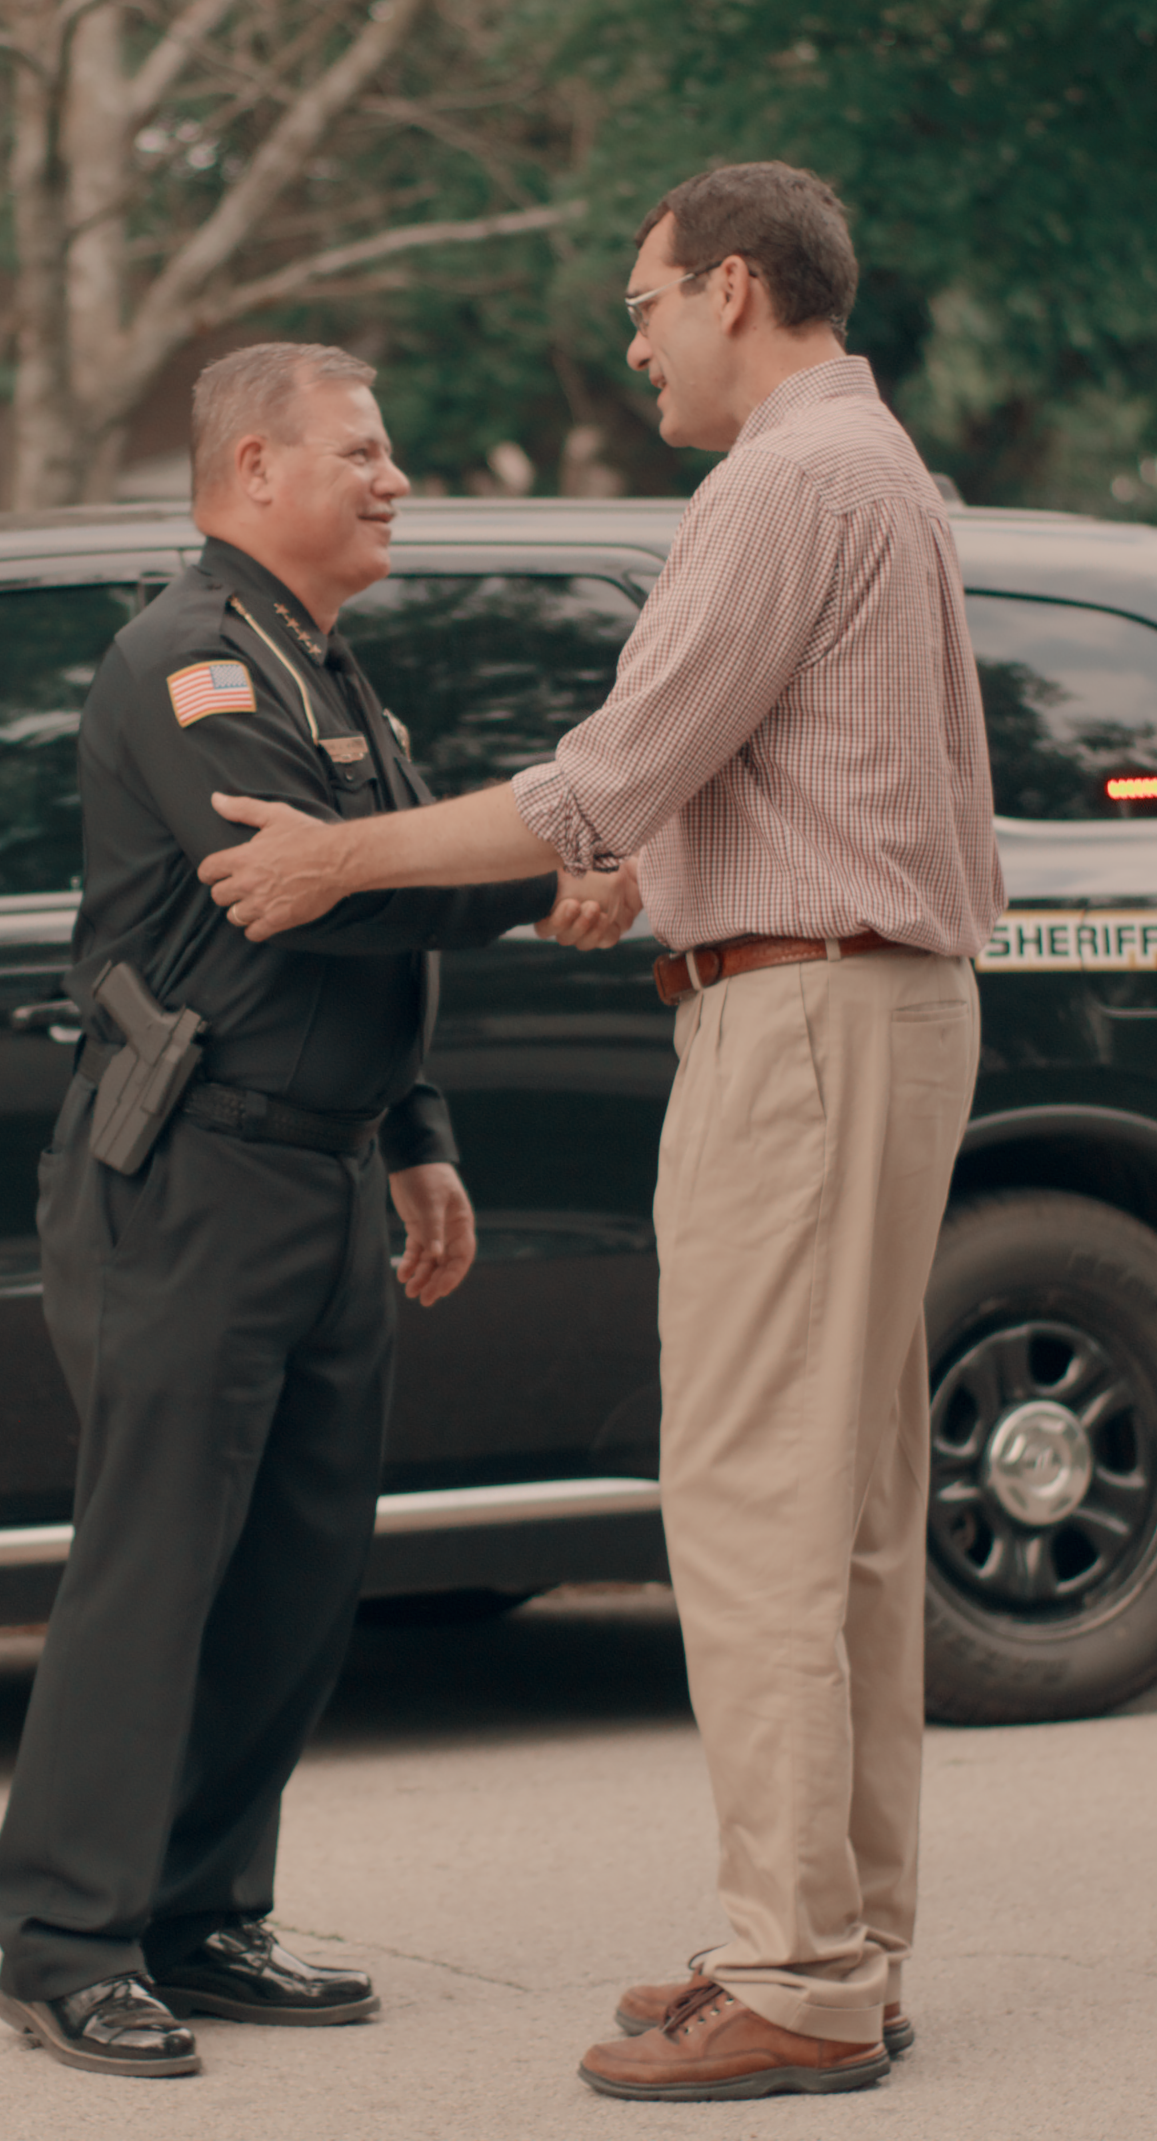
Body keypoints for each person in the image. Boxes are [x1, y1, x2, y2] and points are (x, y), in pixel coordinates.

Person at [192, 163, 1005, 2102]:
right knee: (849, 1512)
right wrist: (665, 876)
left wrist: (336, 859)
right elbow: (785, 778)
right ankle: (840, 1946)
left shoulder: (785, 486)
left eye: (644, 306)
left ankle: (797, 1974)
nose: (635, 345)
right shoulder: (882, 467)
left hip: (803, 1021)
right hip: (879, 1001)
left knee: (754, 1501)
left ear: (732, 288)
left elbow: (601, 778)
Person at [0, 340, 636, 2080]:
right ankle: (65, 1942)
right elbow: (309, 899)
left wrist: (417, 1132)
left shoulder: (330, 670)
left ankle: (199, 1916)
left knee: (293, 1576)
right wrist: (547, 879)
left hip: (324, 1170)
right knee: (156, 1573)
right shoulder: (190, 661)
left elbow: (372, 898)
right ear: (256, 469)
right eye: (362, 451)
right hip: (193, 1178)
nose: (396, 477)